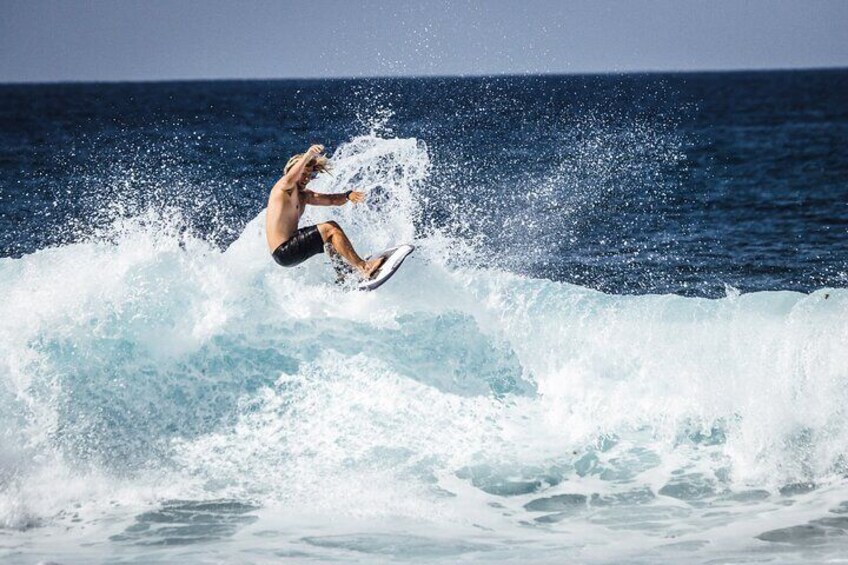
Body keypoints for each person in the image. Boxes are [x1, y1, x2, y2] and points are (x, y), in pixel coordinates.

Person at [265, 144, 385, 278]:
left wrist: (347, 195)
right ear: (292, 172)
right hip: (284, 251)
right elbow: (291, 178)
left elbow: (331, 200)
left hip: (289, 248)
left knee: (330, 240)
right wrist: (308, 155)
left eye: (309, 175)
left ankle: (344, 274)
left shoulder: (304, 195)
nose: (306, 178)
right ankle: (364, 267)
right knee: (330, 228)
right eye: (303, 174)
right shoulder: (282, 188)